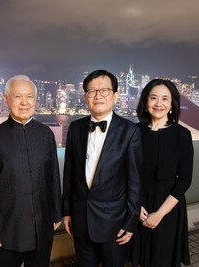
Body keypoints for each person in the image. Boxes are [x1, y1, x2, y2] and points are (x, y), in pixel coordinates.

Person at [0, 75, 62, 267]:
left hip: (42, 227)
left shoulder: (46, 134)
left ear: (35, 100)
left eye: (29, 96)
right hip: (6, 232)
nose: (24, 102)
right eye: (17, 97)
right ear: (6, 99)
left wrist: (57, 213)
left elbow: (53, 177)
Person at [62, 69, 142, 267]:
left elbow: (134, 182)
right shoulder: (75, 128)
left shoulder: (130, 131)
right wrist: (67, 211)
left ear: (115, 95)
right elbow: (69, 173)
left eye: (104, 90)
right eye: (92, 91)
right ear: (85, 97)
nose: (98, 96)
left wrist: (131, 221)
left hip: (114, 222)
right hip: (80, 219)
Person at [130, 79, 194, 267]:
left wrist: (159, 214)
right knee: (138, 258)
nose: (159, 103)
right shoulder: (134, 131)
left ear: (172, 104)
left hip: (168, 207)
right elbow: (126, 173)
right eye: (154, 98)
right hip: (138, 203)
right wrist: (135, 204)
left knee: (164, 259)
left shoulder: (182, 134)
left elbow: (184, 180)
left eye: (165, 98)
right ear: (145, 102)